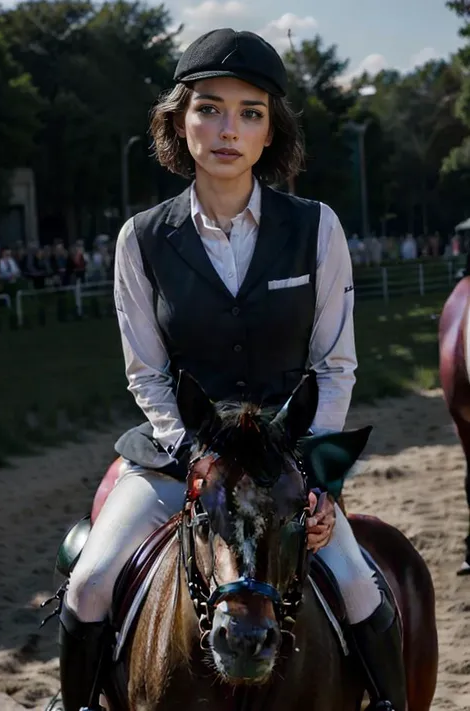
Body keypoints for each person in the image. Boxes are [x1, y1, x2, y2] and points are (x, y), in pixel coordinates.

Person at [58, 28, 405, 711]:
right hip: (176, 459)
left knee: (363, 590)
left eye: (251, 112)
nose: (228, 129)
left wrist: (315, 474)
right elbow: (148, 375)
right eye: (209, 108)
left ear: (271, 131)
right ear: (177, 121)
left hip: (286, 466)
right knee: (90, 583)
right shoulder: (142, 239)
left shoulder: (317, 228)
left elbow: (335, 365)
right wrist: (194, 456)